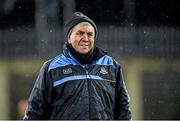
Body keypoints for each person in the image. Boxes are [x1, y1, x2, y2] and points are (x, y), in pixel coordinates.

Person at [23, 12, 131, 120]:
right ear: (69, 38)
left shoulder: (111, 66)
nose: (85, 38)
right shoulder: (52, 68)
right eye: (80, 33)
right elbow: (35, 111)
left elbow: (123, 107)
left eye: (90, 34)